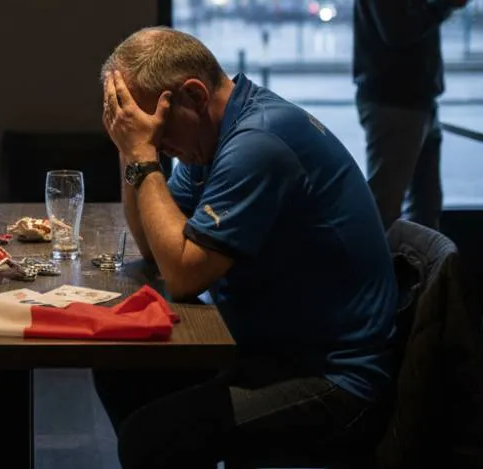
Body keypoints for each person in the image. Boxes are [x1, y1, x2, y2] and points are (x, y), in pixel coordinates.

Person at [95, 27, 398, 468]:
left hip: (335, 378)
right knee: (120, 369)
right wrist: (131, 150)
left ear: (195, 96)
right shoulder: (212, 137)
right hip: (267, 352)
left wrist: (144, 156)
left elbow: (182, 274)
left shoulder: (258, 143)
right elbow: (153, 242)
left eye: (159, 130)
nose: (159, 144)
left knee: (153, 439)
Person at [352, 0, 477, 230]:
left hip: (413, 102)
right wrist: (445, 3)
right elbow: (399, 31)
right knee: (386, 207)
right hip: (396, 102)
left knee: (422, 204)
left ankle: (421, 282)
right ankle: (374, 282)